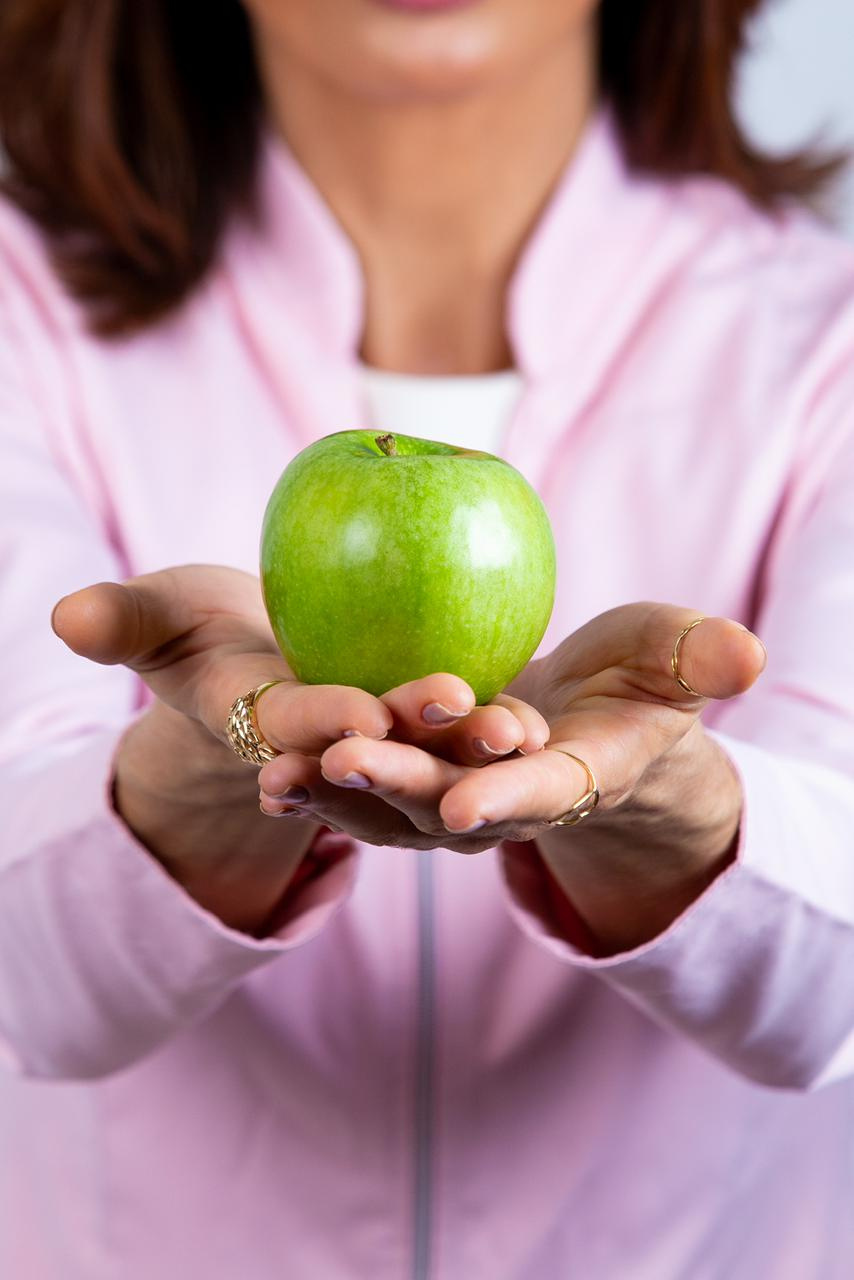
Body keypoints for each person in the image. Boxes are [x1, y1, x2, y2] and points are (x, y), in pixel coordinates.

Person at [1, 0, 853, 1275]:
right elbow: (25, 982)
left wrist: (679, 819)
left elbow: (829, 1003)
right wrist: (185, 790)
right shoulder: (19, 315)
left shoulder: (827, 341)